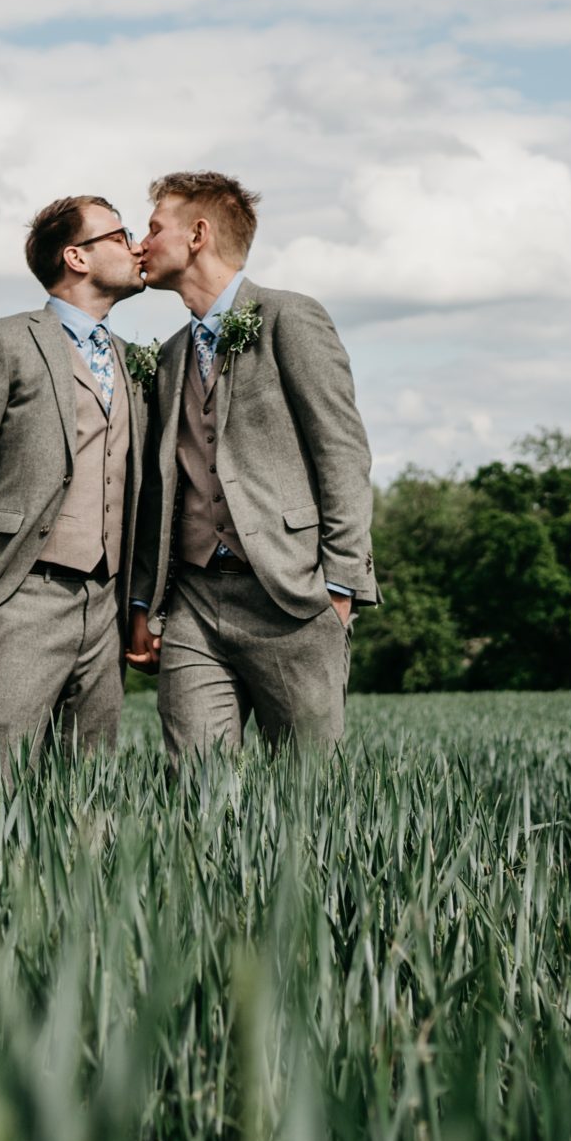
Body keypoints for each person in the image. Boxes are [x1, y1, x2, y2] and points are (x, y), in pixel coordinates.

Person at [126, 171, 375, 756]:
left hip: (291, 595)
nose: (141, 243)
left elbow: (341, 450)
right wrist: (144, 601)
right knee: (195, 787)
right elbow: (158, 491)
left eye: (154, 228)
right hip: (190, 603)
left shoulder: (291, 317)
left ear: (198, 235)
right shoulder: (168, 357)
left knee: (308, 794)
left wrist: (339, 586)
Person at [0, 195, 150, 775]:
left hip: (105, 604)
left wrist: (139, 602)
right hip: (19, 595)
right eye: (121, 235)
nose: (136, 247)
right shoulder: (1, 342)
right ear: (76, 257)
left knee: (89, 791)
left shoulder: (132, 360)